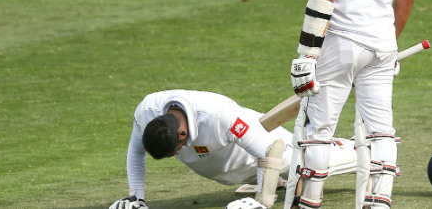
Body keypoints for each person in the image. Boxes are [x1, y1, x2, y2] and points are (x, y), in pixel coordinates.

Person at [287, 0, 415, 208]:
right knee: (381, 129)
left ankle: (309, 202)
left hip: (341, 44)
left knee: (319, 130)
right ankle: (379, 202)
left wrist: (306, 54)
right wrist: (390, 45)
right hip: (382, 45)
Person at [108, 89, 357, 209]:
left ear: (182, 134)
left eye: (175, 151)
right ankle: (283, 182)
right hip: (233, 170)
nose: (176, 155)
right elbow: (135, 152)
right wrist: (136, 198)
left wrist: (262, 202)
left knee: (311, 160)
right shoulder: (146, 112)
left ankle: (365, 149)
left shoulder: (219, 116)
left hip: (262, 152)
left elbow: (268, 152)